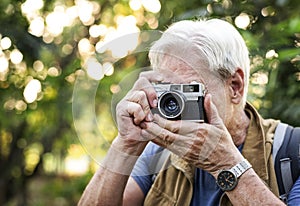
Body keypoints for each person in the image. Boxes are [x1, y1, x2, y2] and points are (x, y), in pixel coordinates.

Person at [78, 18, 298, 205]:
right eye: (168, 93)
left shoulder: (291, 150)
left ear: (235, 87)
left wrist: (226, 164)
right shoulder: (158, 154)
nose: (175, 106)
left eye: (190, 90)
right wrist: (126, 143)